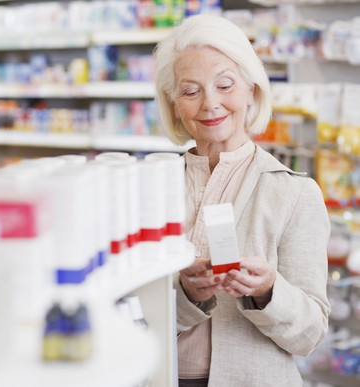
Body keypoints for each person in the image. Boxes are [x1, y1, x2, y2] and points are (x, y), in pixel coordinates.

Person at [154, 14, 331, 387]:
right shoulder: (151, 187)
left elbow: (309, 335)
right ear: (173, 105)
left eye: (225, 85)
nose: (210, 104)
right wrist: (187, 296)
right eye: (190, 91)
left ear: (251, 90)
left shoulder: (294, 193)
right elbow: (126, 316)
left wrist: (268, 292)